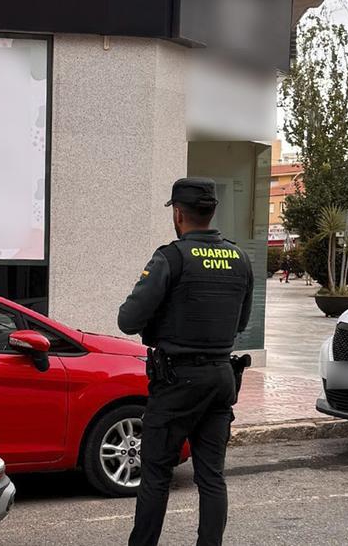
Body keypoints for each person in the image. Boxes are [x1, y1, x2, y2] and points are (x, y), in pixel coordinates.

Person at [118, 177, 254, 546]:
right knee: (212, 477)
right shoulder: (240, 258)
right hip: (221, 378)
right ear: (211, 212)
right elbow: (241, 323)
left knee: (157, 475)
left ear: (178, 214)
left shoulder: (171, 257)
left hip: (177, 380)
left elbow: (127, 320)